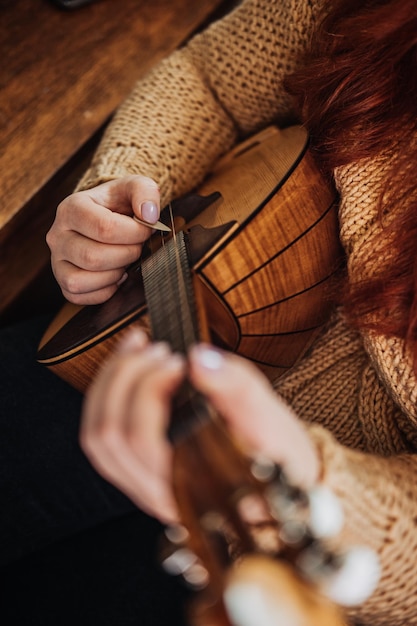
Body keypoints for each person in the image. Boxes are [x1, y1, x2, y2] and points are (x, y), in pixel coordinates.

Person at [2, 0, 417, 624]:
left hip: (298, 537)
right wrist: (120, 185)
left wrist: (318, 489)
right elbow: (212, 80)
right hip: (137, 330)